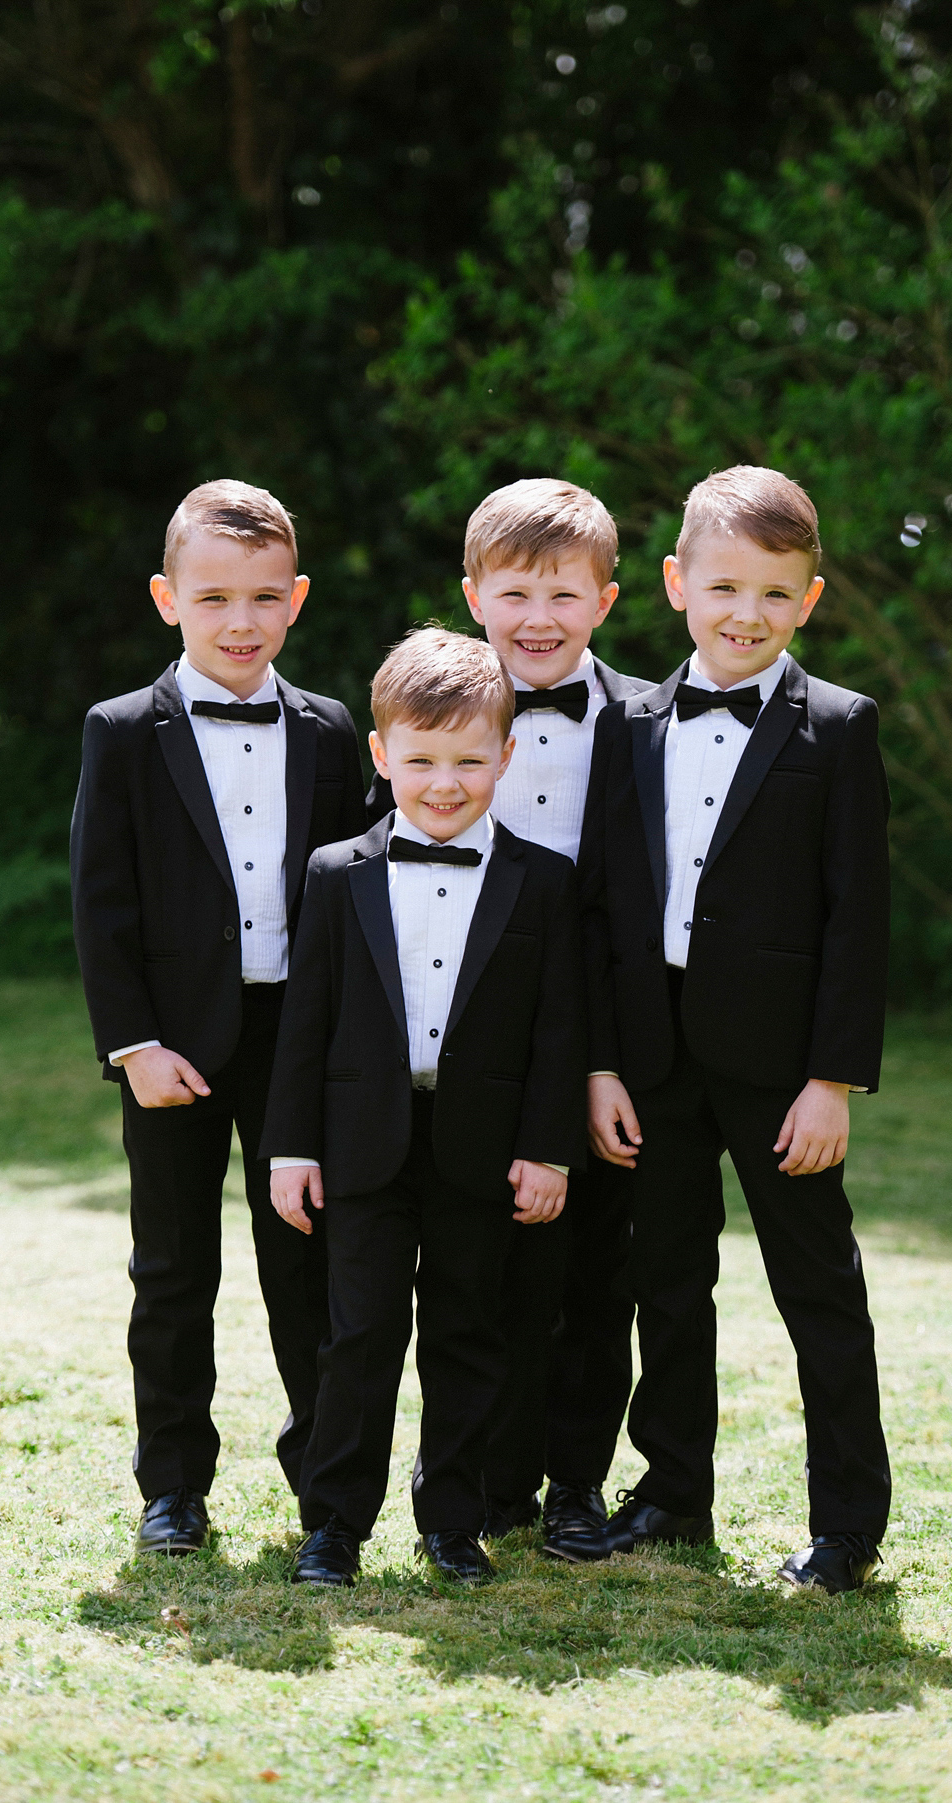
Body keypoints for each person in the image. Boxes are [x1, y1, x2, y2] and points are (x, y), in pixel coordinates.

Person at [569, 465, 892, 1593]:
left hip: (782, 1069)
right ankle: (671, 1497)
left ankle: (847, 1525)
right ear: (675, 585)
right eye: (724, 587)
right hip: (654, 1058)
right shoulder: (630, 722)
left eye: (772, 592)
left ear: (809, 599)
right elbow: (607, 905)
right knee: (665, 1281)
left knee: (820, 1290)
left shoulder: (840, 730)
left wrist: (832, 1080)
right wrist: (604, 1061)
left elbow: (859, 921)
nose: (744, 613)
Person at [70, 479, 366, 1556]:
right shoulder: (123, 733)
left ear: (294, 600)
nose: (238, 623)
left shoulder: (334, 734)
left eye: (259, 598)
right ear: (168, 599)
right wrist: (132, 1044)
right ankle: (174, 1488)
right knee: (173, 1268)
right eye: (212, 600)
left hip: (301, 1045)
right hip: (173, 1048)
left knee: (309, 1266)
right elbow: (101, 902)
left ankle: (324, 1484)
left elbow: (354, 900)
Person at [261, 628, 585, 1587]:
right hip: (362, 1146)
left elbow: (559, 1031)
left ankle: (454, 1516)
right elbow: (303, 1026)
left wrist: (548, 1149)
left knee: (464, 1334)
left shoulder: (544, 882)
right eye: (422, 761)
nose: (445, 783)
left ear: (505, 756)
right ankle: (335, 1524)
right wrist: (289, 1148)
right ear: (382, 754)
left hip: (481, 1149)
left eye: (469, 761)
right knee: (356, 1336)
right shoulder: (334, 873)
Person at [368, 479, 654, 1556]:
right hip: (475, 1045)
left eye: (563, 595)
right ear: (473, 596)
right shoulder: (432, 723)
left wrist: (607, 1060)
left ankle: (578, 1482)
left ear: (606, 602)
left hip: (607, 1042)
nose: (539, 618)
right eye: (516, 592)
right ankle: (492, 1482)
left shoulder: (644, 721)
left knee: (596, 1274)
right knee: (490, 1276)